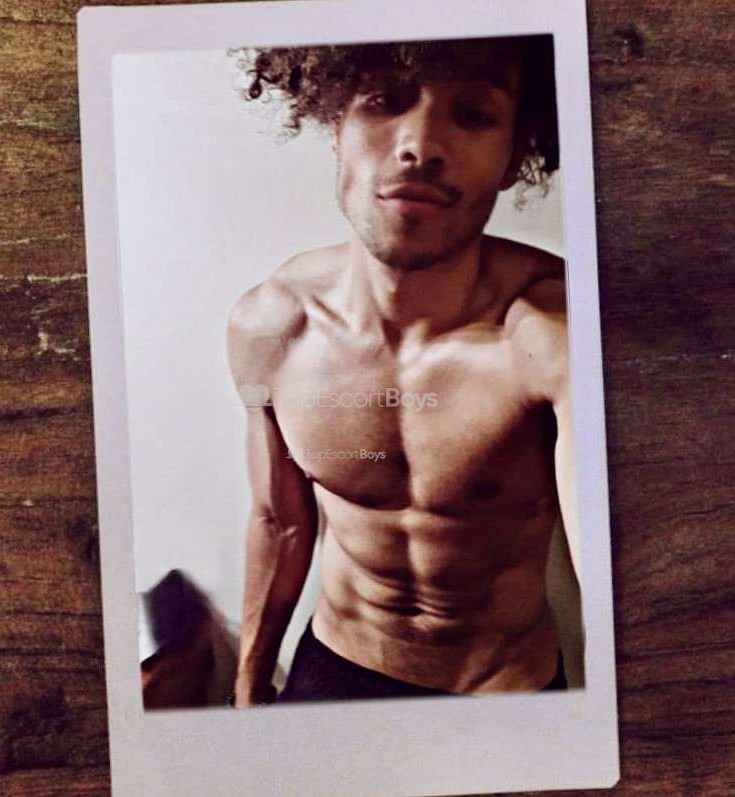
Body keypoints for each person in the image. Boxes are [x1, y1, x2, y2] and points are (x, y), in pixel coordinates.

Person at [226, 36, 582, 706]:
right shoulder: (267, 330)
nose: (420, 144)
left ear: (514, 154)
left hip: (501, 693)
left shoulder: (557, 337)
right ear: (335, 122)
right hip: (334, 668)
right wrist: (246, 690)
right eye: (384, 100)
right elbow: (279, 522)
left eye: (472, 114)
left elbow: (617, 559)